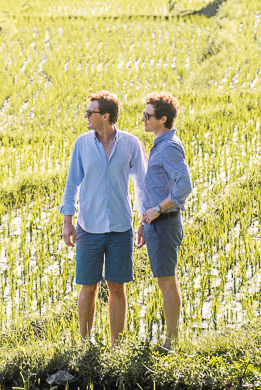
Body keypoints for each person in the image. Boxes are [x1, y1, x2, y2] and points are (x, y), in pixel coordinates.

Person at [60, 90, 147, 344]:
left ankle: (115, 345)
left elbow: (142, 185)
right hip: (89, 226)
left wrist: (144, 220)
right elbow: (71, 184)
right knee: (88, 287)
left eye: (91, 112)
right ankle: (84, 343)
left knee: (117, 287)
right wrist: (68, 221)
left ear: (106, 116)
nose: (86, 116)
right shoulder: (82, 143)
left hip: (121, 228)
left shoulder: (131, 143)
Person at [138, 91, 191, 349]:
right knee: (164, 280)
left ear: (164, 119)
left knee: (167, 281)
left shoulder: (169, 147)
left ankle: (171, 340)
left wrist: (157, 210)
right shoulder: (160, 143)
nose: (144, 120)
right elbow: (157, 186)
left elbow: (184, 186)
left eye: (148, 116)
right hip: (156, 223)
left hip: (166, 222)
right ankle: (171, 339)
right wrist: (145, 220)